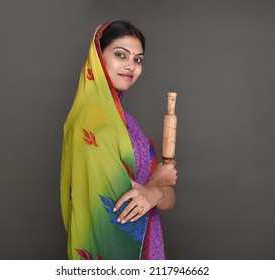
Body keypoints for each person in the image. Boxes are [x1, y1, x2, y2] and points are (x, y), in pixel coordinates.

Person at [60, 20, 177, 260]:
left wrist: (154, 193)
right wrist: (156, 184)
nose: (131, 66)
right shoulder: (92, 125)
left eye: (138, 59)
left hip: (151, 243)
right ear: (97, 57)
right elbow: (119, 212)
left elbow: (164, 197)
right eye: (120, 55)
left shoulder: (126, 121)